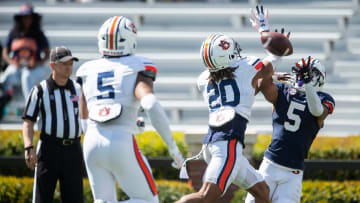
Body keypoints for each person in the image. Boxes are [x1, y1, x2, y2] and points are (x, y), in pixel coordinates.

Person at [176, 6, 280, 203]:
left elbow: (244, 91)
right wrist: (263, 28)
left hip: (213, 143)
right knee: (206, 196)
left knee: (262, 191)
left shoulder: (203, 79)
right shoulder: (247, 67)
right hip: (228, 142)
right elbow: (275, 57)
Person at [76, 16, 184, 203]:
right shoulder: (136, 66)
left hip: (91, 143)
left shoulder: (87, 69)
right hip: (121, 142)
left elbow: (84, 117)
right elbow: (149, 103)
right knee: (148, 201)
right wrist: (173, 148)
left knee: (103, 200)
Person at [245, 55, 335, 203]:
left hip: (293, 172)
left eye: (306, 74)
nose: (300, 77)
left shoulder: (325, 99)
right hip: (270, 165)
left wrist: (307, 84)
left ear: (318, 76)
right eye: (300, 73)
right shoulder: (284, 90)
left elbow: (317, 111)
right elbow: (260, 83)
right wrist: (275, 76)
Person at [22, 46, 83, 203]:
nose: (69, 67)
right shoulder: (40, 90)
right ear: (52, 65)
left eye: (70, 63)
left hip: (73, 150)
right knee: (42, 198)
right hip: (49, 150)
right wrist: (29, 147)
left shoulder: (78, 89)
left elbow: (86, 117)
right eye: (64, 63)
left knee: (75, 199)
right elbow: (28, 120)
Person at [1, 3, 50, 99]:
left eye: (29, 17)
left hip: (33, 68)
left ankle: (29, 106)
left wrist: (36, 63)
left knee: (26, 76)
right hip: (17, 67)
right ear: (20, 19)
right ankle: (3, 101)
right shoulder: (13, 33)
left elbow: (47, 53)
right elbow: (5, 52)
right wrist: (13, 63)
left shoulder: (38, 34)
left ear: (33, 18)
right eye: (25, 17)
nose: (27, 20)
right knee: (6, 77)